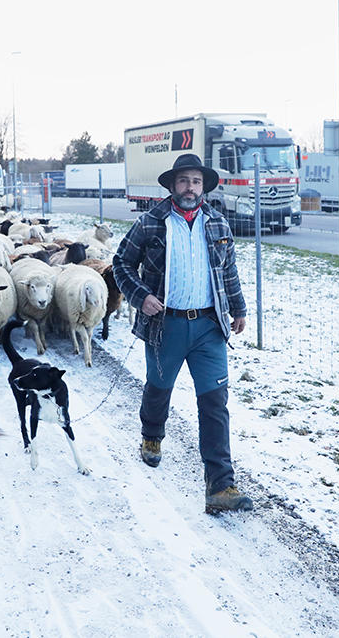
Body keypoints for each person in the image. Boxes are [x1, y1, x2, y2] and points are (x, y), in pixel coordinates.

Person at [112, 153, 252, 513]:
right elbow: (122, 263)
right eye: (184, 181)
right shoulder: (151, 223)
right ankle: (152, 436)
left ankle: (220, 486)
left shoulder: (218, 224)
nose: (190, 188)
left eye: (196, 181)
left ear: (203, 186)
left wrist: (238, 308)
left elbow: (228, 271)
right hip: (166, 325)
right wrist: (140, 296)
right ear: (173, 186)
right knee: (158, 389)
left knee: (214, 402)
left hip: (209, 327)